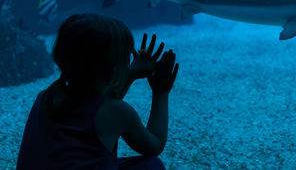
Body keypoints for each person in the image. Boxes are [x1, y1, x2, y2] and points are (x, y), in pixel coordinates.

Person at [17, 13, 179, 169]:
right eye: (126, 59)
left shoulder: (46, 97)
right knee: (151, 165)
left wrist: (130, 74)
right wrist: (160, 92)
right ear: (114, 68)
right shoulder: (117, 112)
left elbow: (97, 105)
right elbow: (155, 145)